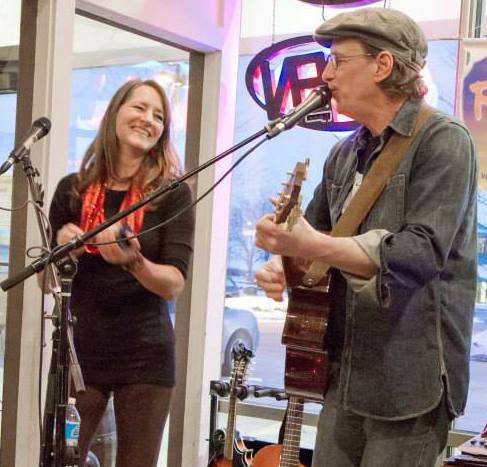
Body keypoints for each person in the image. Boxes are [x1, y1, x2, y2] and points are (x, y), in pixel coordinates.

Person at [255, 8, 477, 467]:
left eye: (338, 61)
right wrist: (283, 263)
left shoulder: (444, 141)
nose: (326, 75)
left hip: (409, 384)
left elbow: (419, 253)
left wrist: (307, 245)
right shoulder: (343, 154)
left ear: (382, 65)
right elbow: (311, 241)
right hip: (343, 376)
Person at [47, 79, 194, 467]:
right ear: (115, 113)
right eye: (139, 108)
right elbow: (47, 283)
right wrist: (64, 251)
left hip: (145, 354)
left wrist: (134, 261)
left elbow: (174, 284)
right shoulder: (72, 190)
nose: (149, 120)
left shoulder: (172, 194)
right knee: (60, 459)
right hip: (80, 354)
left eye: (158, 116)